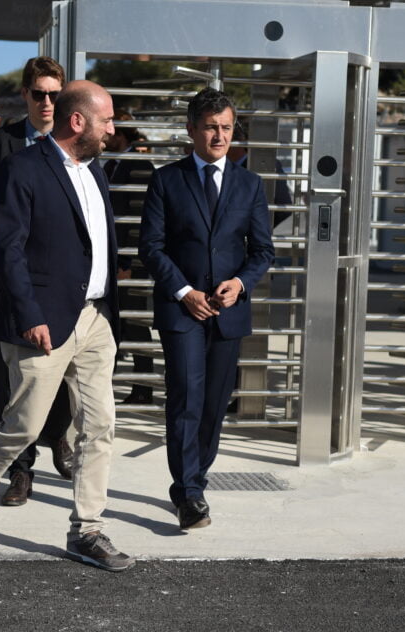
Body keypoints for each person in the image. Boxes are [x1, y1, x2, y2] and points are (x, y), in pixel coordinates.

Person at [0, 80, 133, 572]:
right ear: (78, 121)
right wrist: (30, 314)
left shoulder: (95, 171)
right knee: (24, 426)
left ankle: (87, 529)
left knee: (99, 425)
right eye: (107, 120)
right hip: (44, 322)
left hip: (95, 318)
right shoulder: (23, 168)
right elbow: (8, 248)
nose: (112, 129)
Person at [139, 88, 274, 530]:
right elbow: (151, 247)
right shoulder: (166, 181)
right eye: (211, 127)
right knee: (185, 397)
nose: (220, 136)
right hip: (182, 312)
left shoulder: (250, 185)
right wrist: (184, 292)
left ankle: (194, 479)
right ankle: (189, 491)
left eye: (227, 128)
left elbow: (263, 251)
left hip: (228, 312)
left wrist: (240, 284)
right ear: (191, 130)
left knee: (214, 404)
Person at [0, 56, 74, 504]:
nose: (47, 102)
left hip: (60, 280)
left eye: (54, 95)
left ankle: (57, 432)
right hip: (11, 278)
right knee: (12, 379)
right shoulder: (1, 143)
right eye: (39, 94)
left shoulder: (71, 141)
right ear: (24, 95)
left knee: (62, 372)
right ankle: (20, 472)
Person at [105, 110, 155, 405]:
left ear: (122, 135)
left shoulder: (138, 166)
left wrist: (128, 264)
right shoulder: (112, 164)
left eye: (112, 130)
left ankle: (143, 386)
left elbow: (139, 221)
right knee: (116, 323)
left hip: (130, 265)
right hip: (113, 262)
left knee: (136, 325)